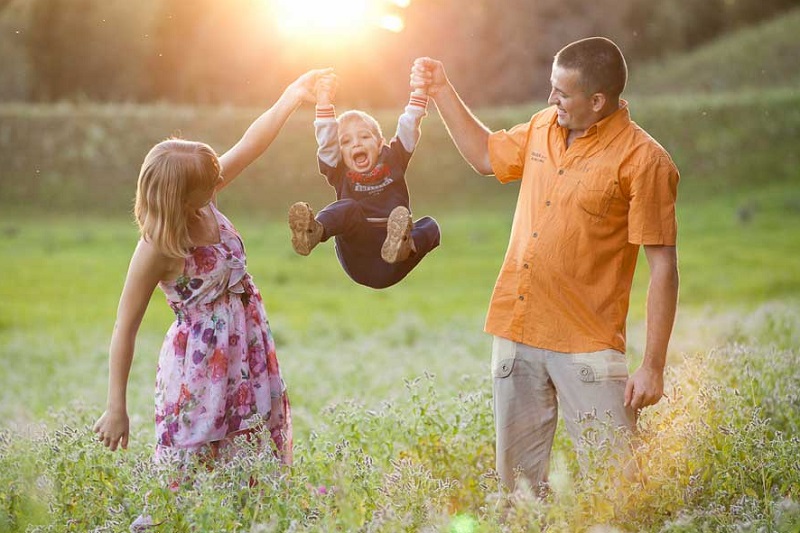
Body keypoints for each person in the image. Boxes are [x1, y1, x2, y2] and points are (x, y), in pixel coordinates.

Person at [411, 37, 680, 491]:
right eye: (551, 87)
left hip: (588, 346)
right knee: (517, 493)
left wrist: (653, 365)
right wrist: (441, 90)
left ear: (597, 101)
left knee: (620, 489)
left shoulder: (645, 160)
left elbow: (664, 271)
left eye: (562, 92)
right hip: (517, 334)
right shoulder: (541, 127)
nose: (551, 98)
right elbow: (483, 155)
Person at [93, 69, 330, 485]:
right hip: (202, 368)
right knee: (194, 468)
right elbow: (123, 327)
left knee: (254, 461)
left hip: (248, 349)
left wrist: (292, 95)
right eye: (209, 182)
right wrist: (116, 407)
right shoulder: (156, 247)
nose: (220, 181)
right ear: (179, 197)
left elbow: (250, 145)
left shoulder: (206, 200)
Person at [287, 73, 441, 289]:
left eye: (365, 137)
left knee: (431, 226)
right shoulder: (338, 170)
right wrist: (323, 102)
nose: (357, 144)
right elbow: (327, 143)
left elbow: (409, 125)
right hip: (359, 256)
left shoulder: (393, 158)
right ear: (340, 153)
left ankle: (404, 245)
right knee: (348, 208)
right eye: (346, 141)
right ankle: (315, 232)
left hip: (395, 260)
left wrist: (419, 92)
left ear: (380, 144)